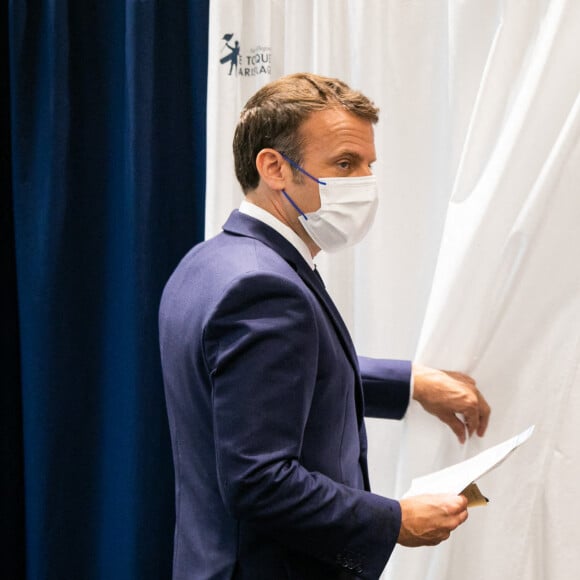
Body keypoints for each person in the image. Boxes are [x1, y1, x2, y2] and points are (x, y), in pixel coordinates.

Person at [159, 72, 491, 580]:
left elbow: (271, 376)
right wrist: (395, 520)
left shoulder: (210, 263)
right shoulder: (264, 287)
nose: (362, 183)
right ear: (273, 167)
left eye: (368, 165)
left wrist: (410, 383)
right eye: (343, 164)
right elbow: (261, 480)